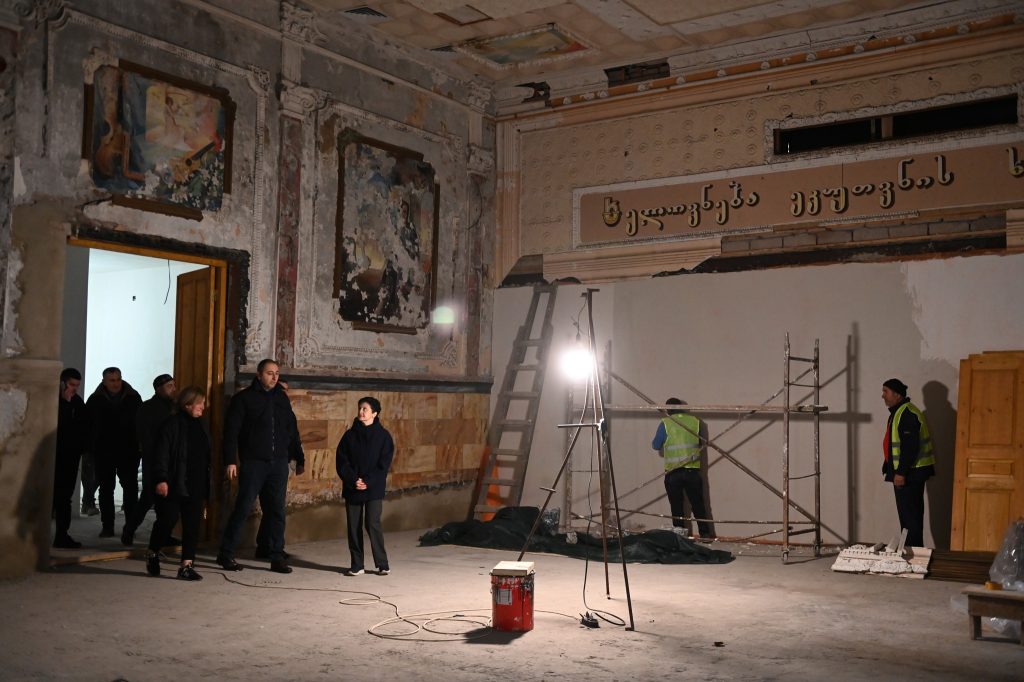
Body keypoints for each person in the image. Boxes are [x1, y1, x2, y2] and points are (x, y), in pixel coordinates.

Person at [217, 359, 304, 574]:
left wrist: (298, 457)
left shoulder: (281, 398)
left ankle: (276, 555)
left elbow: (291, 429)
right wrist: (230, 460)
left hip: (279, 463)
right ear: (258, 375)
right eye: (269, 373)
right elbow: (231, 432)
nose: (274, 377)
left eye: (276, 373)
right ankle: (226, 553)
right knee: (243, 508)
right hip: (253, 463)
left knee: (276, 510)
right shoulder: (243, 399)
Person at [145, 387, 211, 581]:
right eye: (200, 403)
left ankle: (186, 566)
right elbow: (162, 454)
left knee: (192, 525)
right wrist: (161, 479)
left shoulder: (202, 425)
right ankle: (153, 552)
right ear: (187, 404)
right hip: (174, 482)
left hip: (196, 482)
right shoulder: (171, 424)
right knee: (167, 521)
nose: (203, 407)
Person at [336, 396, 394, 576]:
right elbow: (342, 461)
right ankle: (357, 565)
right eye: (360, 408)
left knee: (372, 523)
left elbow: (383, 464)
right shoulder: (349, 436)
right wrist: (353, 480)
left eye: (365, 409)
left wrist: (368, 481)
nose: (361, 412)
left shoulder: (383, 437)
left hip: (373, 487)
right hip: (353, 486)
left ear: (374, 413)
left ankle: (382, 563)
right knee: (353, 526)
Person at [86, 367, 143, 537]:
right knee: (106, 489)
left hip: (128, 450)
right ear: (104, 381)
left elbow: (140, 423)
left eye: (118, 379)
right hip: (104, 451)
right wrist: (91, 448)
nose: (116, 383)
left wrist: (139, 446)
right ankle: (108, 526)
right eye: (112, 380)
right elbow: (89, 425)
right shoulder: (95, 400)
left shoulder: (133, 398)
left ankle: (130, 527)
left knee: (130, 488)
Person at [122, 374, 178, 546]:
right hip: (154, 460)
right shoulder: (147, 408)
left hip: (171, 460)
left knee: (168, 502)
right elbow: (145, 437)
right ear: (159, 389)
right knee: (148, 498)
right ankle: (129, 530)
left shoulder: (175, 407)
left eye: (174, 385)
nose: (174, 389)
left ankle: (164, 535)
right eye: (169, 386)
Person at [881, 378, 935, 548]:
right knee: (908, 518)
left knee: (910, 518)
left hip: (910, 474)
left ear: (897, 394)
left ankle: (914, 553)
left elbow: (910, 447)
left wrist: (900, 473)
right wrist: (889, 466)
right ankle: (912, 551)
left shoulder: (907, 413)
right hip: (908, 473)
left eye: (886, 391)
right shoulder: (899, 412)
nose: (883, 395)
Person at [652, 397, 714, 539]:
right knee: (698, 504)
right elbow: (700, 442)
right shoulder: (695, 422)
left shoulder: (665, 423)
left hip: (673, 473)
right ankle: (705, 535)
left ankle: (680, 538)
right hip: (692, 471)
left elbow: (655, 445)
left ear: (668, 409)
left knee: (677, 507)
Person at [54, 368, 90, 549]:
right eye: (71, 384)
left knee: (64, 497)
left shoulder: (77, 402)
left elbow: (83, 427)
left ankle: (62, 535)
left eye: (77, 385)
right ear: (62, 383)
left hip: (70, 457)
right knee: (52, 496)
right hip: (53, 456)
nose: (74, 388)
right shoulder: (53, 400)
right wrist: (66, 403)